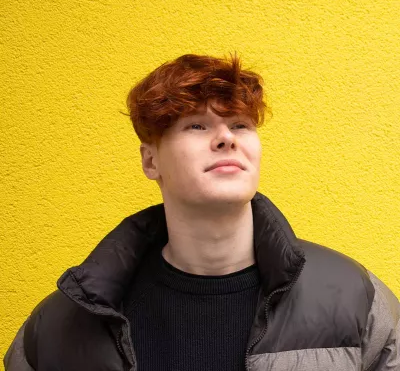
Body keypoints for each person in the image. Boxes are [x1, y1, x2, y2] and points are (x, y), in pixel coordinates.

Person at [4, 54, 400, 371]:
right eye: (196, 126)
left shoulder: (355, 299)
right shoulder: (62, 325)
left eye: (241, 125)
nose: (226, 138)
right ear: (150, 161)